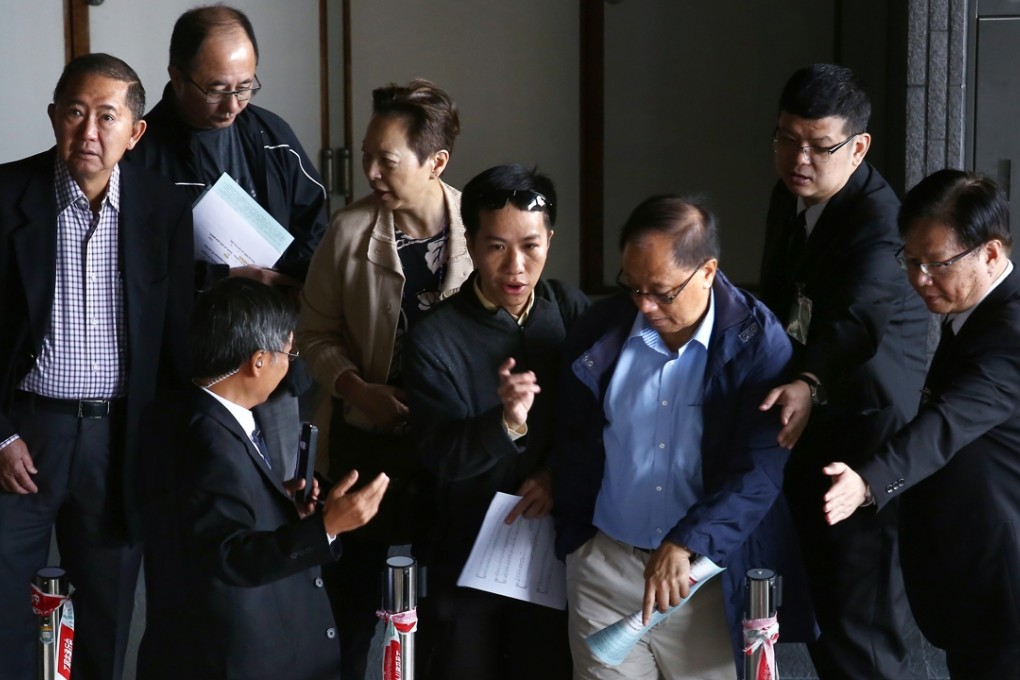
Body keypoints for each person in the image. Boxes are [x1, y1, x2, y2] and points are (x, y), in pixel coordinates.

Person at [553, 196, 814, 680]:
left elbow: (756, 474)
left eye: (662, 292)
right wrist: (577, 541)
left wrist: (684, 543)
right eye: (633, 287)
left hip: (701, 580)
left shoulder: (758, 344)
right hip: (605, 567)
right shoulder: (598, 330)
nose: (645, 306)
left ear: (708, 271)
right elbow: (570, 436)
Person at [0, 54, 193, 679]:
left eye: (107, 116)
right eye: (76, 113)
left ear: (134, 132)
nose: (90, 131)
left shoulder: (162, 207)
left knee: (109, 610)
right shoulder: (6, 196)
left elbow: (176, 337)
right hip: (24, 431)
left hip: (120, 438)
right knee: (2, 606)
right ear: (54, 116)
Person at [756, 63, 929, 680]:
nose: (798, 158)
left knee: (862, 621)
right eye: (785, 138)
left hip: (865, 430)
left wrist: (807, 382)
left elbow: (854, 321)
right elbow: (780, 296)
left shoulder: (882, 223)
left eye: (818, 146)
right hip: (812, 414)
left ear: (858, 147)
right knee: (821, 606)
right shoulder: (791, 193)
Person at [297, 79, 470, 678]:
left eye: (386, 159)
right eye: (366, 153)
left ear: (436, 162)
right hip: (364, 438)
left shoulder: (479, 232)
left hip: (450, 444)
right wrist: (355, 388)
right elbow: (313, 334)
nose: (370, 169)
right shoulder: (348, 232)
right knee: (349, 600)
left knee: (446, 603)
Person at [136, 278, 389, 680]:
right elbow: (229, 555)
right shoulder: (211, 443)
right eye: (289, 353)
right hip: (233, 659)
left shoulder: (176, 412)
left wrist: (275, 499)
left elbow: (205, 517)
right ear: (257, 361)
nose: (290, 363)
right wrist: (328, 526)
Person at [823, 169, 1020, 679]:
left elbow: (947, 422)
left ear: (991, 254)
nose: (919, 279)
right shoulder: (979, 308)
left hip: (1005, 580)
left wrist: (869, 480)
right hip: (974, 570)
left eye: (937, 264)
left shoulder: (1012, 332)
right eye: (911, 261)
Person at [129, 4, 327, 478]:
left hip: (274, 355)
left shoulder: (272, 135)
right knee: (195, 497)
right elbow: (135, 268)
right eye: (217, 88)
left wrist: (299, 279)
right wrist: (222, 278)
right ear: (177, 76)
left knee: (280, 491)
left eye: (245, 86)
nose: (234, 103)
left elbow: (317, 226)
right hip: (185, 365)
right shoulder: (141, 153)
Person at [404, 165, 586, 679]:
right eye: (496, 247)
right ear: (470, 241)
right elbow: (438, 454)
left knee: (547, 663)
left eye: (531, 245)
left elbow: (599, 419)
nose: (515, 267)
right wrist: (505, 421)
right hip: (467, 542)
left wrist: (556, 474)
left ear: (550, 237)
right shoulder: (435, 336)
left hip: (552, 537)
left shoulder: (569, 310)